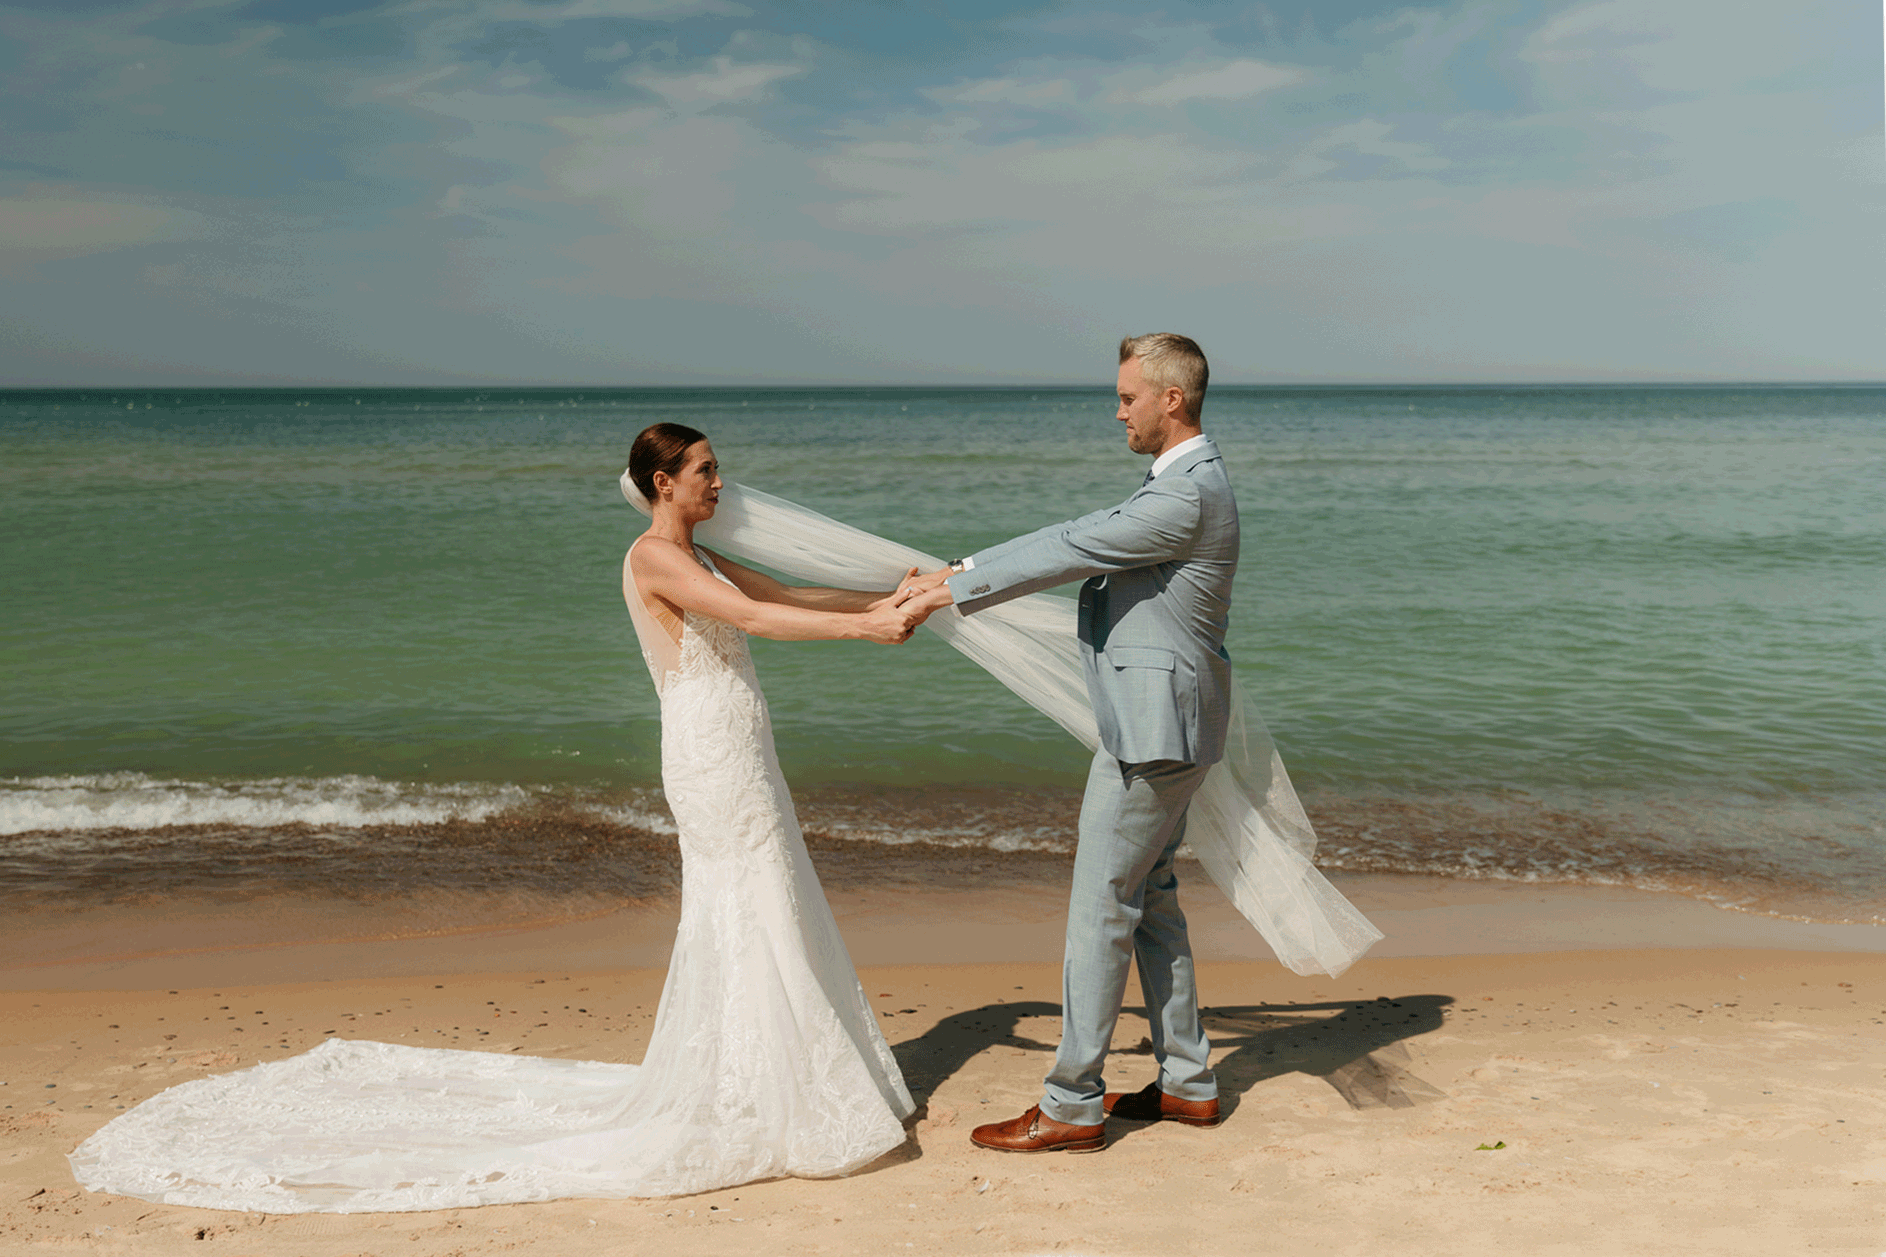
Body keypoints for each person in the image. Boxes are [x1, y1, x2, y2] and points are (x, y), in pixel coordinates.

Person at [66, 423, 922, 1211]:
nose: (720, 482)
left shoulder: (697, 552)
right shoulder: (653, 556)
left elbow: (782, 594)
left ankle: (777, 1074)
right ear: (663, 481)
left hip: (740, 744)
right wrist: (869, 634)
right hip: (706, 751)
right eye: (704, 470)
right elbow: (748, 620)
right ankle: (763, 1086)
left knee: (766, 892)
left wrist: (891, 594)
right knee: (744, 897)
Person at [898, 333, 1238, 1153]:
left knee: (1100, 909)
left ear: (1172, 400)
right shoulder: (1184, 484)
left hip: (1153, 733)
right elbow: (1086, 534)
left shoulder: (1183, 496)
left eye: (1128, 396)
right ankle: (1188, 1083)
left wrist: (952, 583)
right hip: (1172, 724)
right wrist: (960, 570)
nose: (1117, 409)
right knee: (1150, 899)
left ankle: (1071, 1103)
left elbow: (1073, 543)